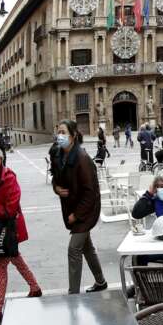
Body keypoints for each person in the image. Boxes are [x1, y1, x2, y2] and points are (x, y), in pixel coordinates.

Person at [0, 144, 42, 321]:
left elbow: (10, 208)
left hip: (10, 226)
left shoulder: (9, 178)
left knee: (0, 267)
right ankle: (34, 287)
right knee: (15, 257)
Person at [52, 119, 108, 294]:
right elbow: (56, 178)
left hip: (85, 211)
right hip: (73, 208)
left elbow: (91, 193)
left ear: (73, 135)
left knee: (74, 249)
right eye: (58, 132)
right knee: (86, 247)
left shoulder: (82, 159)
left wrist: (76, 215)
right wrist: (56, 188)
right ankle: (101, 282)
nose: (59, 136)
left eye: (63, 132)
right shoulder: (60, 155)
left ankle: (73, 293)